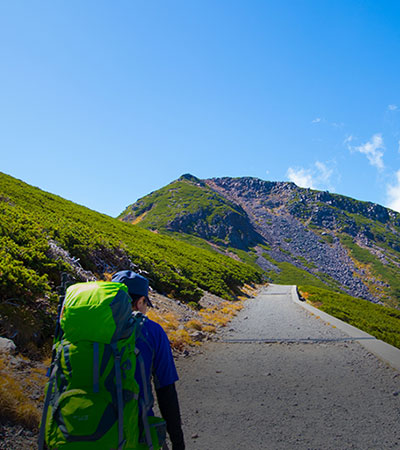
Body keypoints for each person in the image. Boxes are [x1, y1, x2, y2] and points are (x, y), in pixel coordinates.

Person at [112, 270, 185, 450]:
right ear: (139, 302)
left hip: (76, 430)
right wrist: (178, 443)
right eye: (146, 304)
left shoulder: (83, 329)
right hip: (133, 433)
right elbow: (166, 391)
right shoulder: (151, 331)